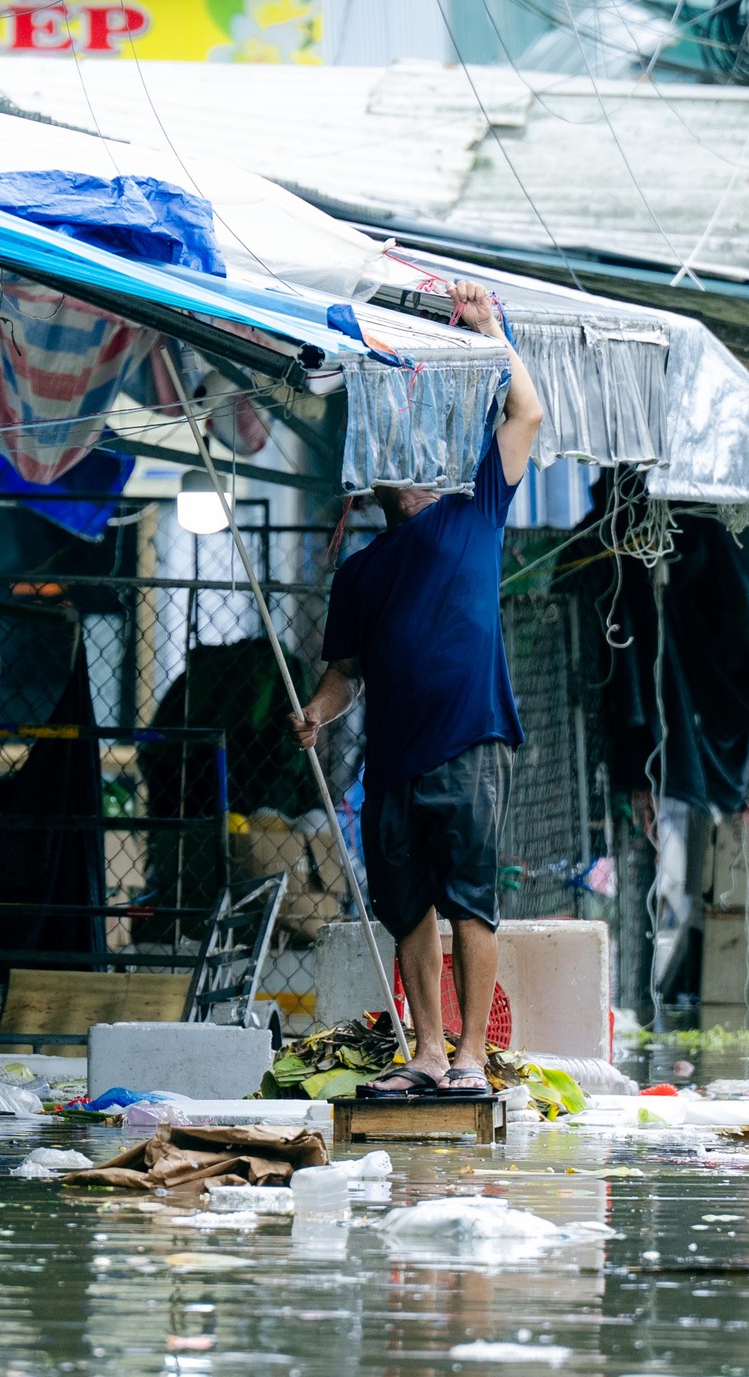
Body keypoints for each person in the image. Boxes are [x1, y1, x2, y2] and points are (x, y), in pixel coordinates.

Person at [290, 279, 544, 1097]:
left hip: (468, 739)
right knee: (406, 908)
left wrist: (490, 329)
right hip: (392, 762)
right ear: (374, 475)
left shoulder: (475, 508)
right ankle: (427, 1052)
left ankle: (471, 1056)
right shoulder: (361, 572)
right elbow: (347, 671)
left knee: (470, 901)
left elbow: (527, 414)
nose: (403, 468)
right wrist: (317, 714)